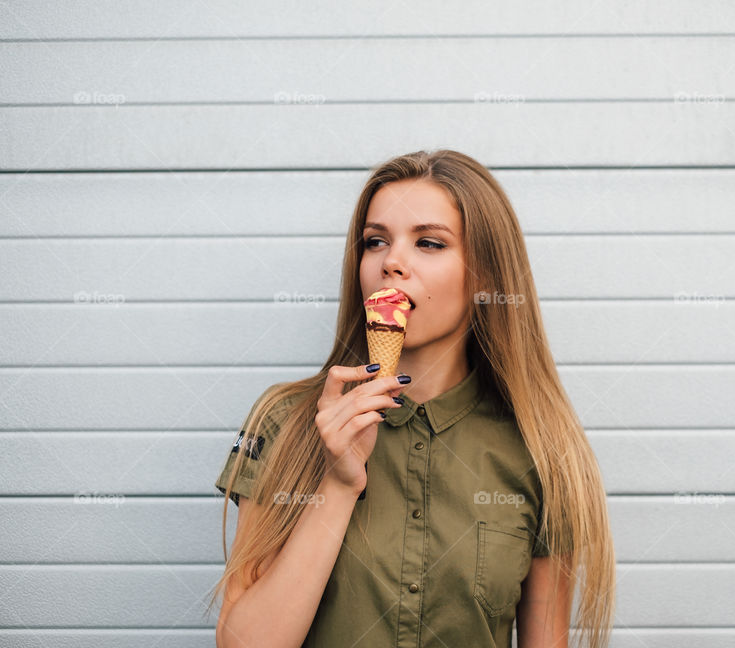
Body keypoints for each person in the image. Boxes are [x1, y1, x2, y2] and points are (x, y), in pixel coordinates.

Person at [206, 149, 615, 648]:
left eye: (428, 243)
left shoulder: (541, 450)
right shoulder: (285, 421)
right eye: (375, 241)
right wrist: (337, 486)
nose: (391, 263)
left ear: (484, 276)